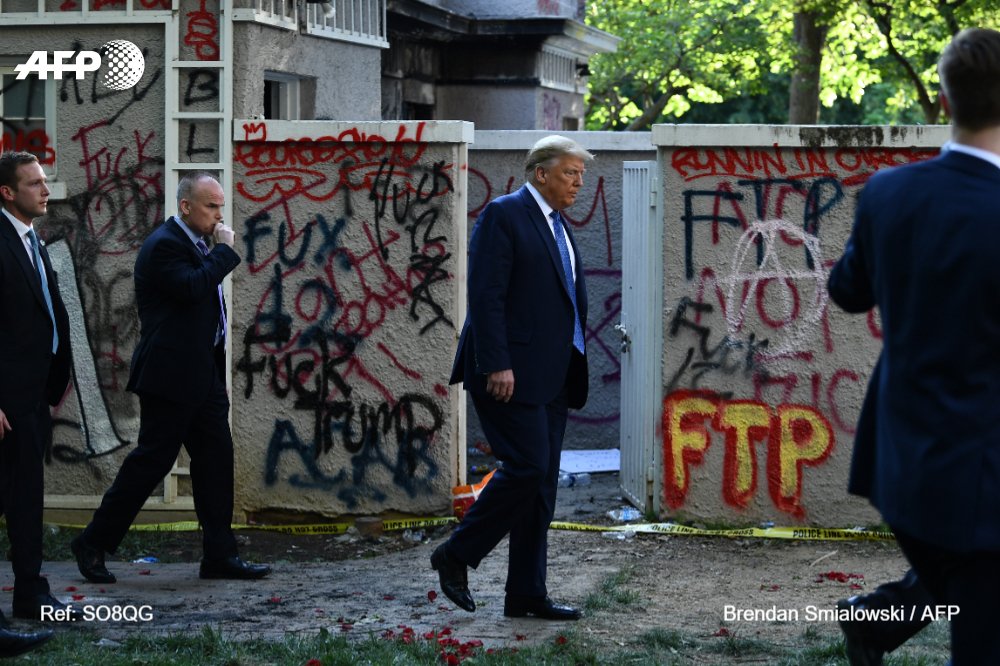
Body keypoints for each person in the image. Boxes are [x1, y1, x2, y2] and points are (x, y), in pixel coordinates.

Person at [828, 27, 1000, 665]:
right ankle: (873, 622)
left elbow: (846, 293)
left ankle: (873, 622)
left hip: (901, 462)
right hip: (984, 472)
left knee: (956, 574)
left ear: (947, 101)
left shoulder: (888, 192)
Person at [70, 172, 270, 583]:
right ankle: (92, 542)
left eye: (220, 206)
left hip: (203, 377)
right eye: (211, 206)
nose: (219, 215)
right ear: (186, 207)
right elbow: (193, 289)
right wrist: (225, 252)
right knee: (151, 462)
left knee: (215, 461)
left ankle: (220, 556)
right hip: (170, 377)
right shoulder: (164, 246)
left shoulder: (196, 244)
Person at [432, 135, 591, 620]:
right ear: (540, 173)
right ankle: (455, 553)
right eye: (570, 173)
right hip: (509, 374)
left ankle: (526, 594)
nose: (578, 183)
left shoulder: (557, 225)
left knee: (540, 486)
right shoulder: (505, 214)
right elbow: (486, 296)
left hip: (553, 376)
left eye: (581, 176)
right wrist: (496, 361)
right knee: (525, 468)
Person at [0, 151, 79, 644]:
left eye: (44, 181)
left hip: (31, 398)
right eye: (33, 184)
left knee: (27, 503)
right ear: (7, 192)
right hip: (5, 404)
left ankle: (31, 596)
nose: (45, 190)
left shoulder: (31, 239)